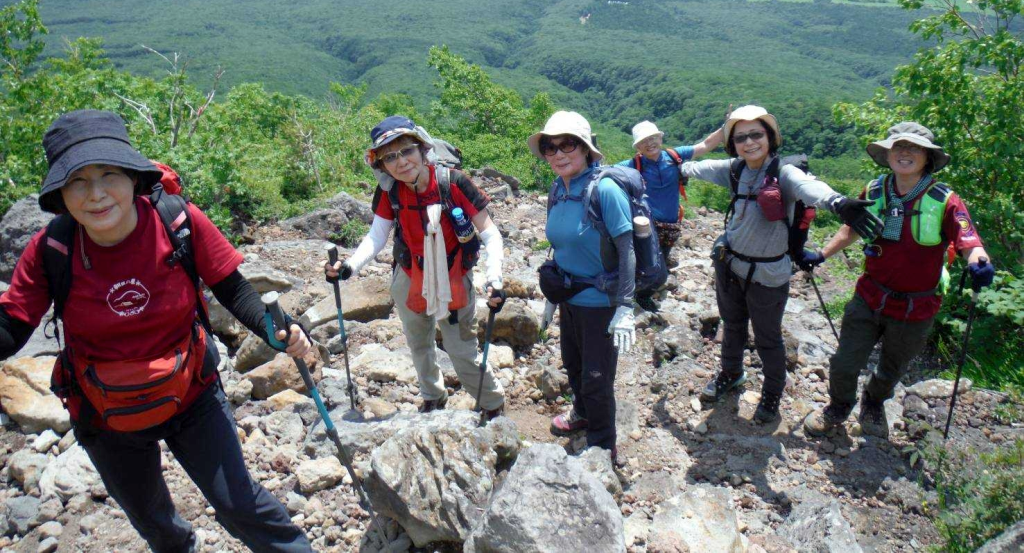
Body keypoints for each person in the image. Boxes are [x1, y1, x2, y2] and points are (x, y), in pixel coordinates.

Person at [0, 110, 312, 553]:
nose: (96, 194)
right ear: (61, 194)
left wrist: (280, 330)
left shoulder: (176, 221)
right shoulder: (53, 248)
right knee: (156, 526)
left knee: (238, 504)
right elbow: (12, 327)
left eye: (108, 174)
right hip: (102, 412)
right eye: (77, 182)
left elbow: (233, 290)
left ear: (132, 177)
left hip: (192, 394)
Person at [679, 105, 884, 423]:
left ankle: (773, 392)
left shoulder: (783, 172)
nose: (749, 142)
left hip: (769, 273)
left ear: (770, 137)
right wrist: (672, 168)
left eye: (756, 134)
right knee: (732, 327)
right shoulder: (734, 169)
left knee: (768, 337)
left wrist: (838, 202)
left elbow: (808, 188)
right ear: (734, 143)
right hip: (730, 265)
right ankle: (731, 374)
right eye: (741, 137)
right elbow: (697, 169)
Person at [803, 122, 994, 439]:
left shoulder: (945, 200)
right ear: (889, 153)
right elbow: (851, 230)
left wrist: (980, 263)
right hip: (869, 296)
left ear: (927, 157)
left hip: (916, 307)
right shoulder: (875, 190)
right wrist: (821, 255)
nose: (905, 153)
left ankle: (874, 403)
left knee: (891, 368)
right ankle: (838, 407)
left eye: (914, 148)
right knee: (844, 362)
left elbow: (968, 240)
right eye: (899, 147)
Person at [324, 116, 505, 416]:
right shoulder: (390, 190)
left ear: (423, 149)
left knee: (462, 351)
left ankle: (492, 404)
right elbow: (377, 235)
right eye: (390, 156)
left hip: (454, 276)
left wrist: (494, 277)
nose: (401, 162)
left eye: (406, 150)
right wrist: (349, 266)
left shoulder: (453, 182)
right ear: (381, 165)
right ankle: (432, 395)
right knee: (418, 342)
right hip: (409, 273)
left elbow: (490, 233)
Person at [531, 111, 637, 459]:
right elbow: (561, 244)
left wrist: (625, 306)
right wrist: (551, 297)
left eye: (568, 145)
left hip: (600, 304)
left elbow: (627, 250)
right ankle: (581, 414)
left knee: (596, 377)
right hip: (569, 298)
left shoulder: (603, 190)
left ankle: (603, 448)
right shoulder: (558, 189)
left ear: (586, 148)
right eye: (550, 147)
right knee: (573, 365)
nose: (558, 154)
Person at [618, 119, 724, 311]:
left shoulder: (674, 156)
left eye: (653, 138)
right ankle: (637, 295)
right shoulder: (634, 164)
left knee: (662, 259)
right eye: (644, 141)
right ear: (638, 147)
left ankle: (642, 291)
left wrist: (726, 128)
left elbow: (705, 145)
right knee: (653, 267)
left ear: (660, 137)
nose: (650, 143)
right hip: (647, 226)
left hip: (672, 224)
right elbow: (608, 172)